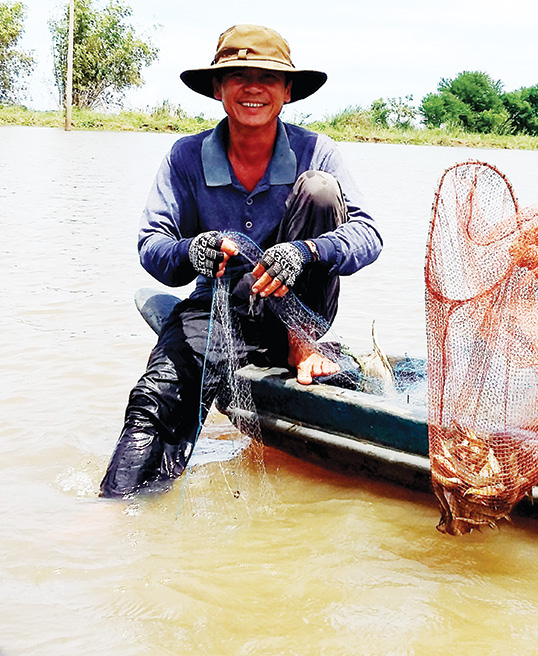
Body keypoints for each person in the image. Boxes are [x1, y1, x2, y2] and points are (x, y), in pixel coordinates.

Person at [100, 25, 383, 498]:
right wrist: (193, 251)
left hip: (300, 308)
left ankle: (301, 345)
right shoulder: (185, 157)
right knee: (154, 401)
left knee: (318, 190)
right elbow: (153, 245)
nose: (253, 88)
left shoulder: (318, 150)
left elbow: (369, 236)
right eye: (238, 76)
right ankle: (114, 507)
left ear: (287, 91)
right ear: (218, 88)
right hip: (219, 308)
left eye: (268, 78)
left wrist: (304, 252)